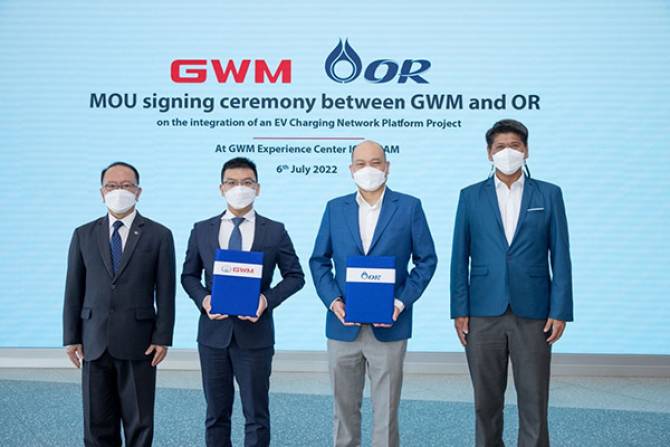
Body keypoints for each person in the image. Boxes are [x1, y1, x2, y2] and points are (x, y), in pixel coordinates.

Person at [450, 119, 573, 447]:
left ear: (526, 151)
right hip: (482, 311)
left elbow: (561, 255)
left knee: (534, 401)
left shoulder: (549, 194)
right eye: (500, 147)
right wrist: (459, 310)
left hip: (534, 312)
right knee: (485, 402)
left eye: (515, 146)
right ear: (489, 153)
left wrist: (560, 310)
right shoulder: (470, 196)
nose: (508, 152)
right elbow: (459, 257)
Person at [310, 140, 437, 447]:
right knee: (343, 411)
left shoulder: (409, 207)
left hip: (390, 325)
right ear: (351, 169)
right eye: (361, 163)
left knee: (386, 413)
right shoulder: (335, 208)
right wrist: (333, 301)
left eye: (376, 162)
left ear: (387, 167)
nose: (369, 169)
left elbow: (426, 260)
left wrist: (400, 302)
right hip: (343, 325)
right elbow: (318, 260)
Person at [181, 157, 305, 447]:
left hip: (256, 336)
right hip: (213, 336)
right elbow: (188, 276)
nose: (240, 188)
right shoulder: (202, 229)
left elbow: (295, 276)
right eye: (232, 182)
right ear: (221, 188)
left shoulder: (274, 230)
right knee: (216, 414)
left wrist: (266, 300)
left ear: (257, 188)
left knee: (256, 415)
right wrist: (204, 299)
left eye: (247, 182)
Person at [63, 161, 176, 446]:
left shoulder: (159, 235)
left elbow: (165, 291)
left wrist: (163, 337)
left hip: (139, 342)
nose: (118, 191)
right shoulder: (83, 234)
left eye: (126, 185)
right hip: (93, 340)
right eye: (111, 186)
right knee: (97, 423)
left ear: (138, 191)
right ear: (102, 192)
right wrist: (71, 337)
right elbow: (73, 289)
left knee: (139, 422)